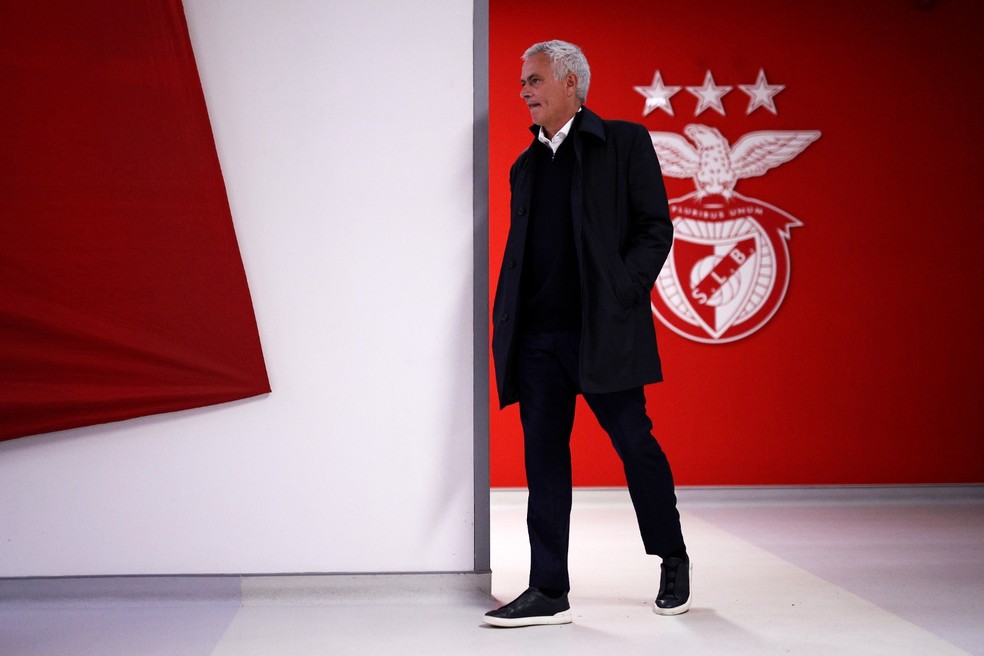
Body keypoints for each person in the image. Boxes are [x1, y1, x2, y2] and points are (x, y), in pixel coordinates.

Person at [485, 40, 690, 628]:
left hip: (602, 331)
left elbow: (656, 227)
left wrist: (624, 290)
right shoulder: (524, 166)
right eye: (523, 82)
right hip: (539, 341)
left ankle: (671, 558)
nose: (524, 91)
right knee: (544, 462)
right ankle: (548, 587)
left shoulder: (624, 142)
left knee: (635, 445)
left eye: (534, 80)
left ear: (571, 82)